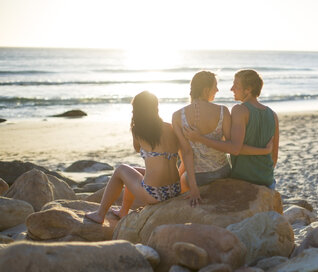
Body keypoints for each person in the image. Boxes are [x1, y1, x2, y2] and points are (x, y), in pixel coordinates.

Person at [173, 71, 272, 206]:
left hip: (198, 177)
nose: (218, 90)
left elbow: (186, 153)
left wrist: (194, 187)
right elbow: (231, 147)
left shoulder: (177, 116)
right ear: (206, 90)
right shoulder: (222, 111)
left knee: (182, 182)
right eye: (215, 86)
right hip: (223, 173)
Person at [85, 91, 181, 223]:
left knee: (121, 170)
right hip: (175, 189)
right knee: (133, 170)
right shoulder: (170, 127)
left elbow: (137, 149)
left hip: (155, 193)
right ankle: (123, 211)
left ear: (137, 110)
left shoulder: (139, 130)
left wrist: (133, 124)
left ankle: (100, 215)